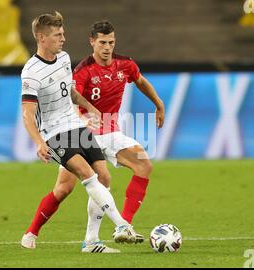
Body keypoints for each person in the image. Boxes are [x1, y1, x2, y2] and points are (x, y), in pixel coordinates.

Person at [20, 12, 138, 252]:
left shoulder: (63, 58)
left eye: (63, 34)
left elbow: (70, 93)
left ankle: (90, 241)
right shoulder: (31, 72)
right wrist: (39, 142)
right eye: (57, 35)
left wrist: (89, 107)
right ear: (42, 38)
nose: (63, 39)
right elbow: (28, 113)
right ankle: (122, 225)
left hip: (75, 126)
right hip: (54, 133)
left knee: (100, 179)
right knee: (87, 174)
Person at [46, 20, 165, 251]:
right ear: (92, 42)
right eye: (102, 42)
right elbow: (71, 97)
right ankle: (32, 232)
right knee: (63, 189)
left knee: (144, 164)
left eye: (111, 42)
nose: (107, 47)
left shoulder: (125, 64)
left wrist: (158, 104)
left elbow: (140, 81)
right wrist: (77, 121)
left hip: (110, 130)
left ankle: (123, 226)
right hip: (84, 133)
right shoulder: (83, 70)